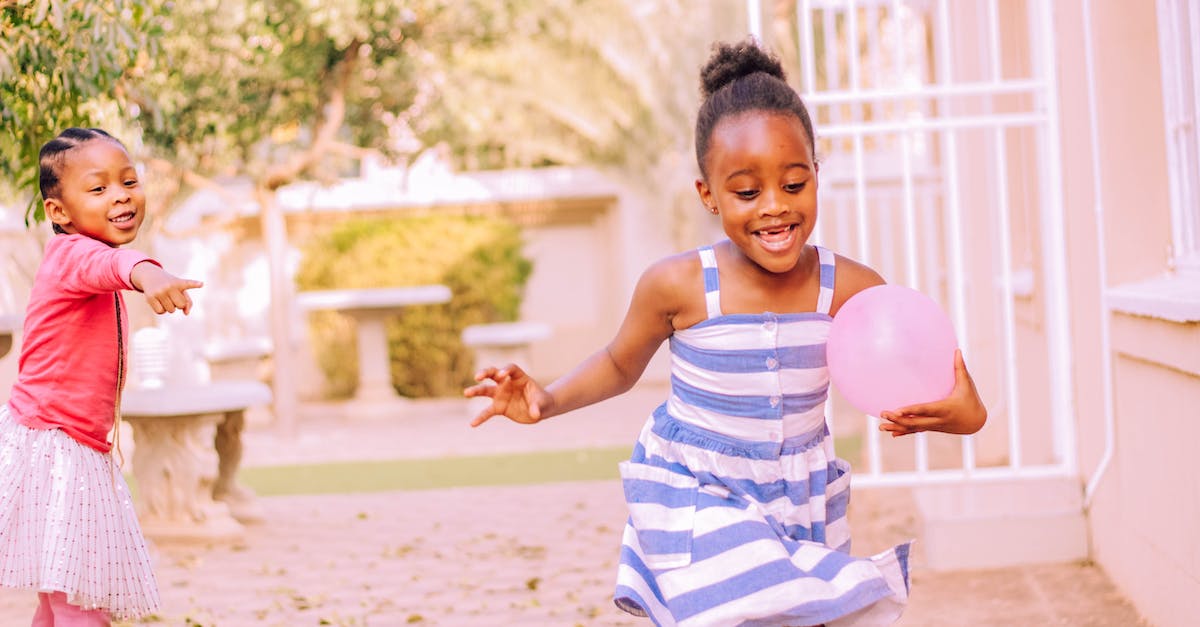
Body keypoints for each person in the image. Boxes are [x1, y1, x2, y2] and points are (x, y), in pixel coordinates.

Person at [465, 39, 987, 627]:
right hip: (699, 492)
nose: (774, 207)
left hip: (798, 496)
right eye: (746, 192)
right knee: (735, 607)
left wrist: (966, 412)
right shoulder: (678, 285)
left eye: (794, 185)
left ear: (816, 175)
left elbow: (914, 378)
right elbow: (618, 363)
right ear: (708, 195)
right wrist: (547, 399)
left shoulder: (851, 288)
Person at [0, 127, 203, 626]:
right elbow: (115, 263)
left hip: (59, 443)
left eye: (128, 182)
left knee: (58, 599)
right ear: (59, 212)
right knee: (83, 601)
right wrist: (151, 274)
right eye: (98, 188)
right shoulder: (74, 255)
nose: (120, 195)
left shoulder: (83, 259)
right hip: (55, 449)